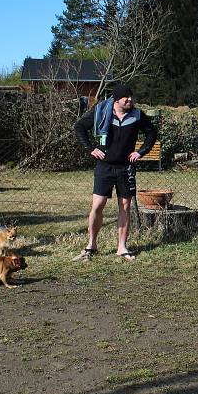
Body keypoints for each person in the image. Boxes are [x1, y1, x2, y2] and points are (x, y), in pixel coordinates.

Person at [72, 84, 157, 262]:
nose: (130, 100)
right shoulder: (101, 111)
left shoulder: (137, 115)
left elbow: (151, 133)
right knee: (98, 205)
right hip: (104, 167)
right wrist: (91, 148)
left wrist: (140, 152)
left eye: (131, 97)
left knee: (125, 206)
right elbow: (79, 127)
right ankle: (91, 245)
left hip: (126, 168)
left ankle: (121, 247)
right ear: (116, 99)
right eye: (126, 97)